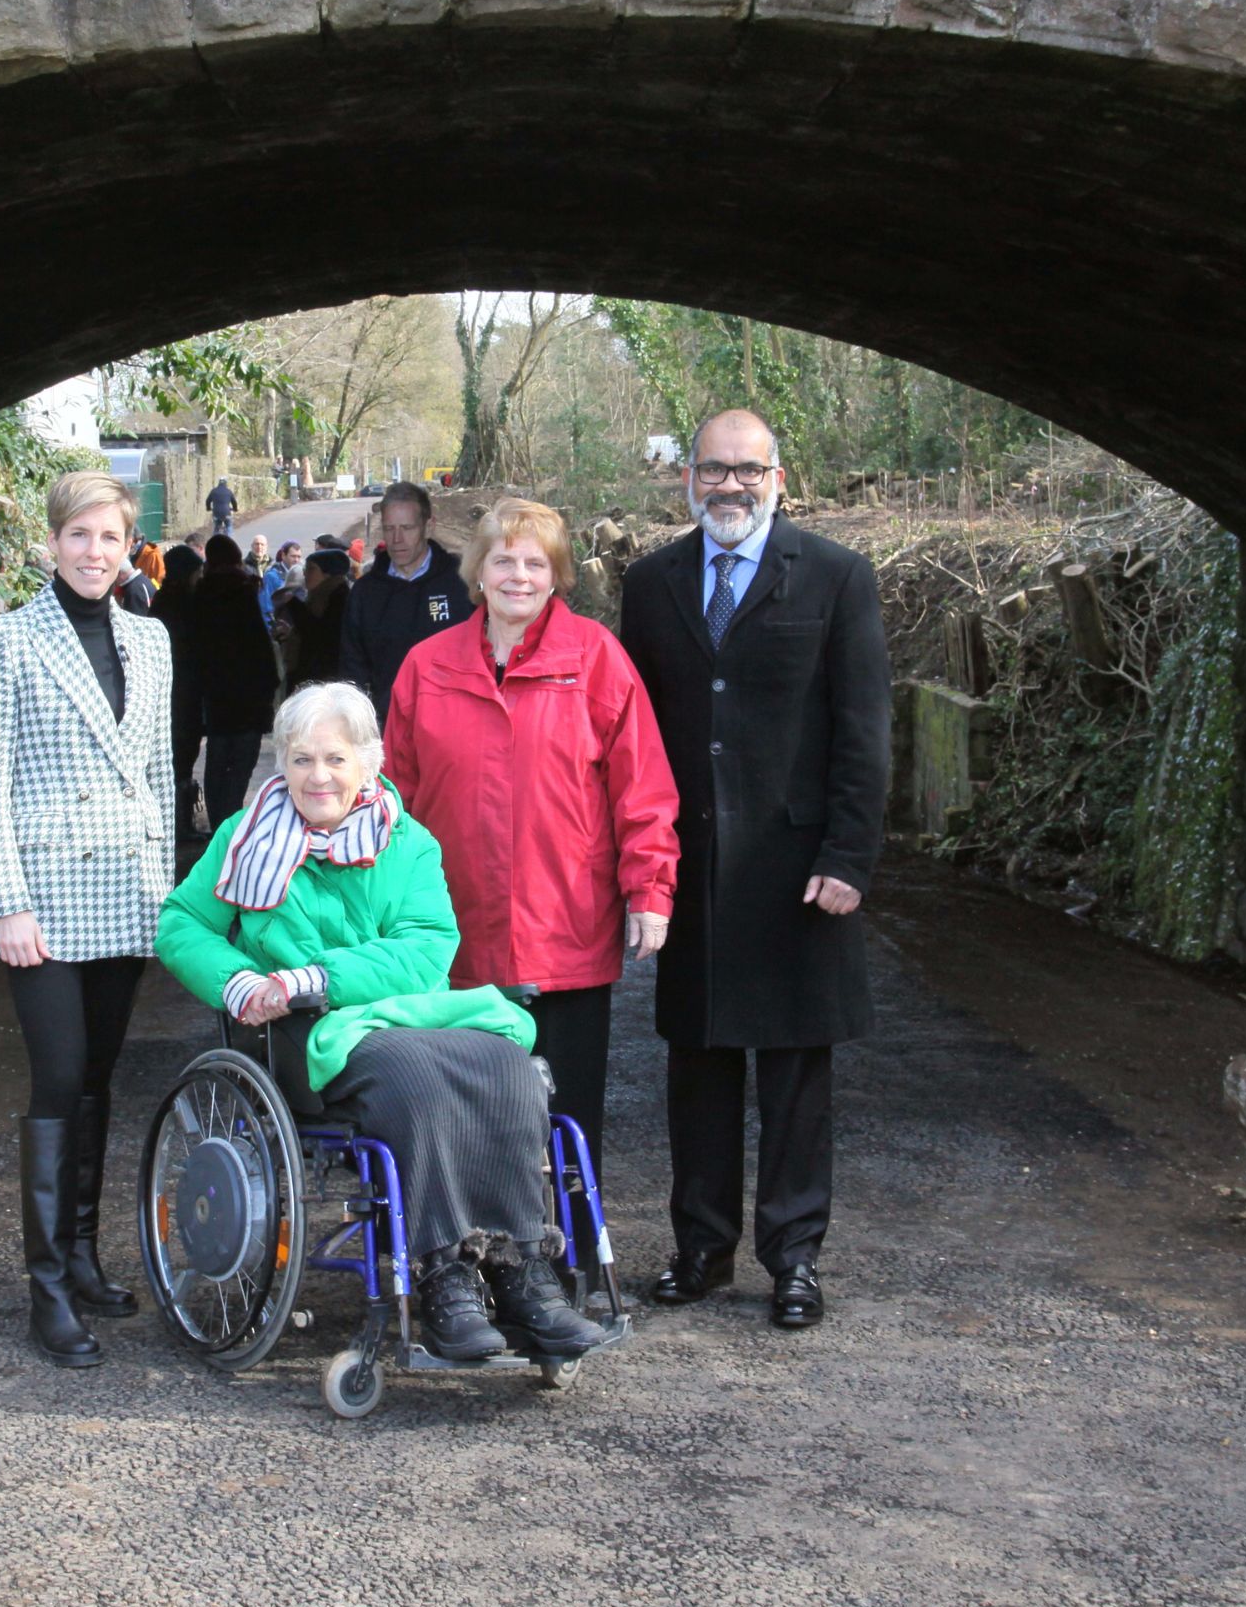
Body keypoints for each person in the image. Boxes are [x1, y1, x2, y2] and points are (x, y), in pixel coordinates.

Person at [155, 682, 606, 1359]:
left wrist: (320, 975)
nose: (318, 777)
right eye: (301, 760)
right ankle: (445, 1277)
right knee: (413, 1078)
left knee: (509, 1067)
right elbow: (181, 924)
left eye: (335, 759)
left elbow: (426, 947)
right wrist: (241, 981)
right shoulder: (241, 838)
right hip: (306, 1035)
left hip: (409, 1014)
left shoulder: (407, 841)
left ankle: (521, 1272)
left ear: (370, 761)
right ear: (282, 764)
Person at [619, 409, 891, 1332]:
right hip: (690, 867)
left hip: (798, 872)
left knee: (794, 1074)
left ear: (779, 477)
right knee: (695, 1064)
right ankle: (700, 1249)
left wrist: (850, 854)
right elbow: (637, 732)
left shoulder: (836, 576)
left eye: (747, 470)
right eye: (712, 470)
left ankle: (795, 1258)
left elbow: (864, 729)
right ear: (688, 479)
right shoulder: (651, 583)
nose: (728, 486)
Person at [0, 469, 178, 1367]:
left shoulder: (153, 641)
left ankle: (84, 1258)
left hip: (124, 893)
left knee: (98, 1078)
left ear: (131, 547)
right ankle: (47, 1287)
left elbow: (161, 774)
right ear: (52, 543)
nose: (96, 552)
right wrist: (5, 903)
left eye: (111, 538)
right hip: (44, 900)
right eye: (80, 536)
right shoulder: (7, 642)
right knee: (56, 1082)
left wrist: (165, 892)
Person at [383, 497, 679, 1156]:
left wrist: (650, 892)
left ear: (558, 576)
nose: (519, 575)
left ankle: (567, 1255)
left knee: (566, 1120)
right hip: (454, 930)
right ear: (478, 572)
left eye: (536, 563)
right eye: (504, 560)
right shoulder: (426, 667)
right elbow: (392, 803)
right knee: (469, 1116)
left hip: (564, 927)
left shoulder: (596, 658)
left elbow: (642, 787)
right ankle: (478, 1255)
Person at [339, 480, 475, 719]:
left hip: (456, 725)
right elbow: (352, 669)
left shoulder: (463, 581)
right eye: (390, 529)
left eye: (407, 528)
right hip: (390, 728)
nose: (397, 539)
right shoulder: (365, 592)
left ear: (428, 526)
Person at [188, 534, 275, 825]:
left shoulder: (201, 594)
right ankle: (233, 819)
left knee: (217, 759)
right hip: (248, 691)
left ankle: (218, 824)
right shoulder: (244, 589)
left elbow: (196, 646)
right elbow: (259, 645)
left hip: (217, 692)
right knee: (241, 763)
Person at [157, 541, 206, 838]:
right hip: (182, 693)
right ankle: (180, 824)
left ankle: (179, 822)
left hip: (175, 693)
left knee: (178, 758)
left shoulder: (163, 600)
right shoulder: (184, 603)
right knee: (181, 758)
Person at [272, 548, 350, 688]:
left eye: (311, 569)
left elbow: (319, 635)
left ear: (328, 574)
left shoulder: (339, 600)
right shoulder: (317, 597)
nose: (305, 573)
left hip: (322, 681)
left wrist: (294, 605)